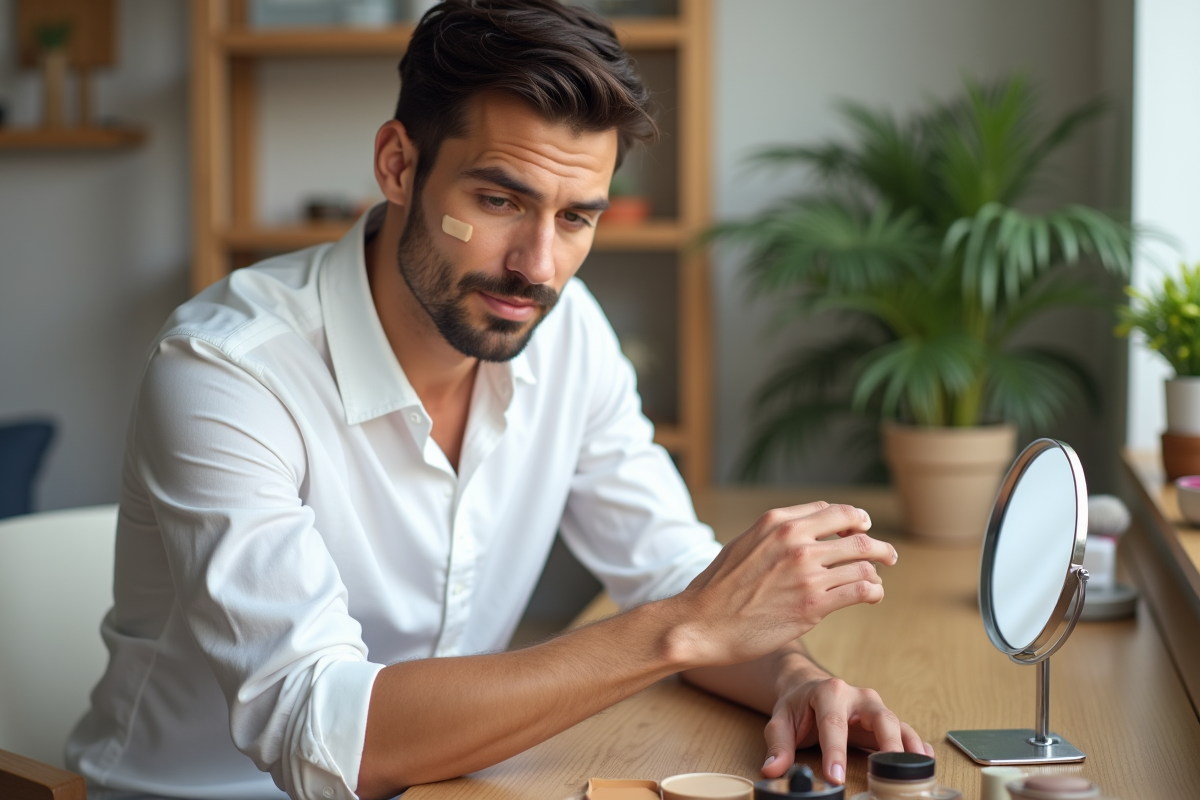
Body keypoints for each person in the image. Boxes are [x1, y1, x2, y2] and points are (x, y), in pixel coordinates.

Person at [67, 2, 931, 798]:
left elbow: (673, 577)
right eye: (498, 200)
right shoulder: (227, 371)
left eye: (576, 218)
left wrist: (796, 682)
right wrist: (682, 628)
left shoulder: (569, 331)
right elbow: (322, 736)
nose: (537, 268)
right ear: (398, 165)